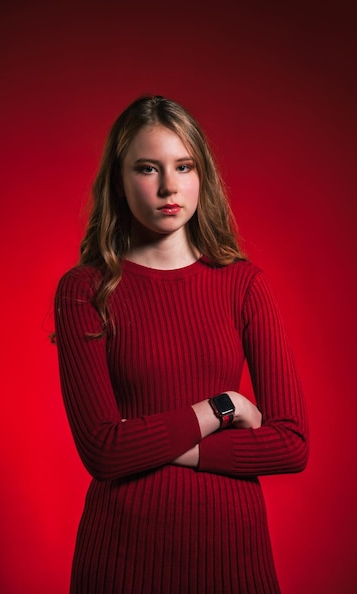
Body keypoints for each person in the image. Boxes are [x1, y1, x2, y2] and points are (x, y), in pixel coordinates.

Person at [54, 94, 309, 594]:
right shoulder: (85, 289)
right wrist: (221, 408)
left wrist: (151, 444)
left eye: (183, 166)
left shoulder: (244, 285)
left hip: (233, 557)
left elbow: (291, 444)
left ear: (201, 176)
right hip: (121, 559)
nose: (169, 186)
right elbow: (104, 452)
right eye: (148, 168)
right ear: (119, 181)